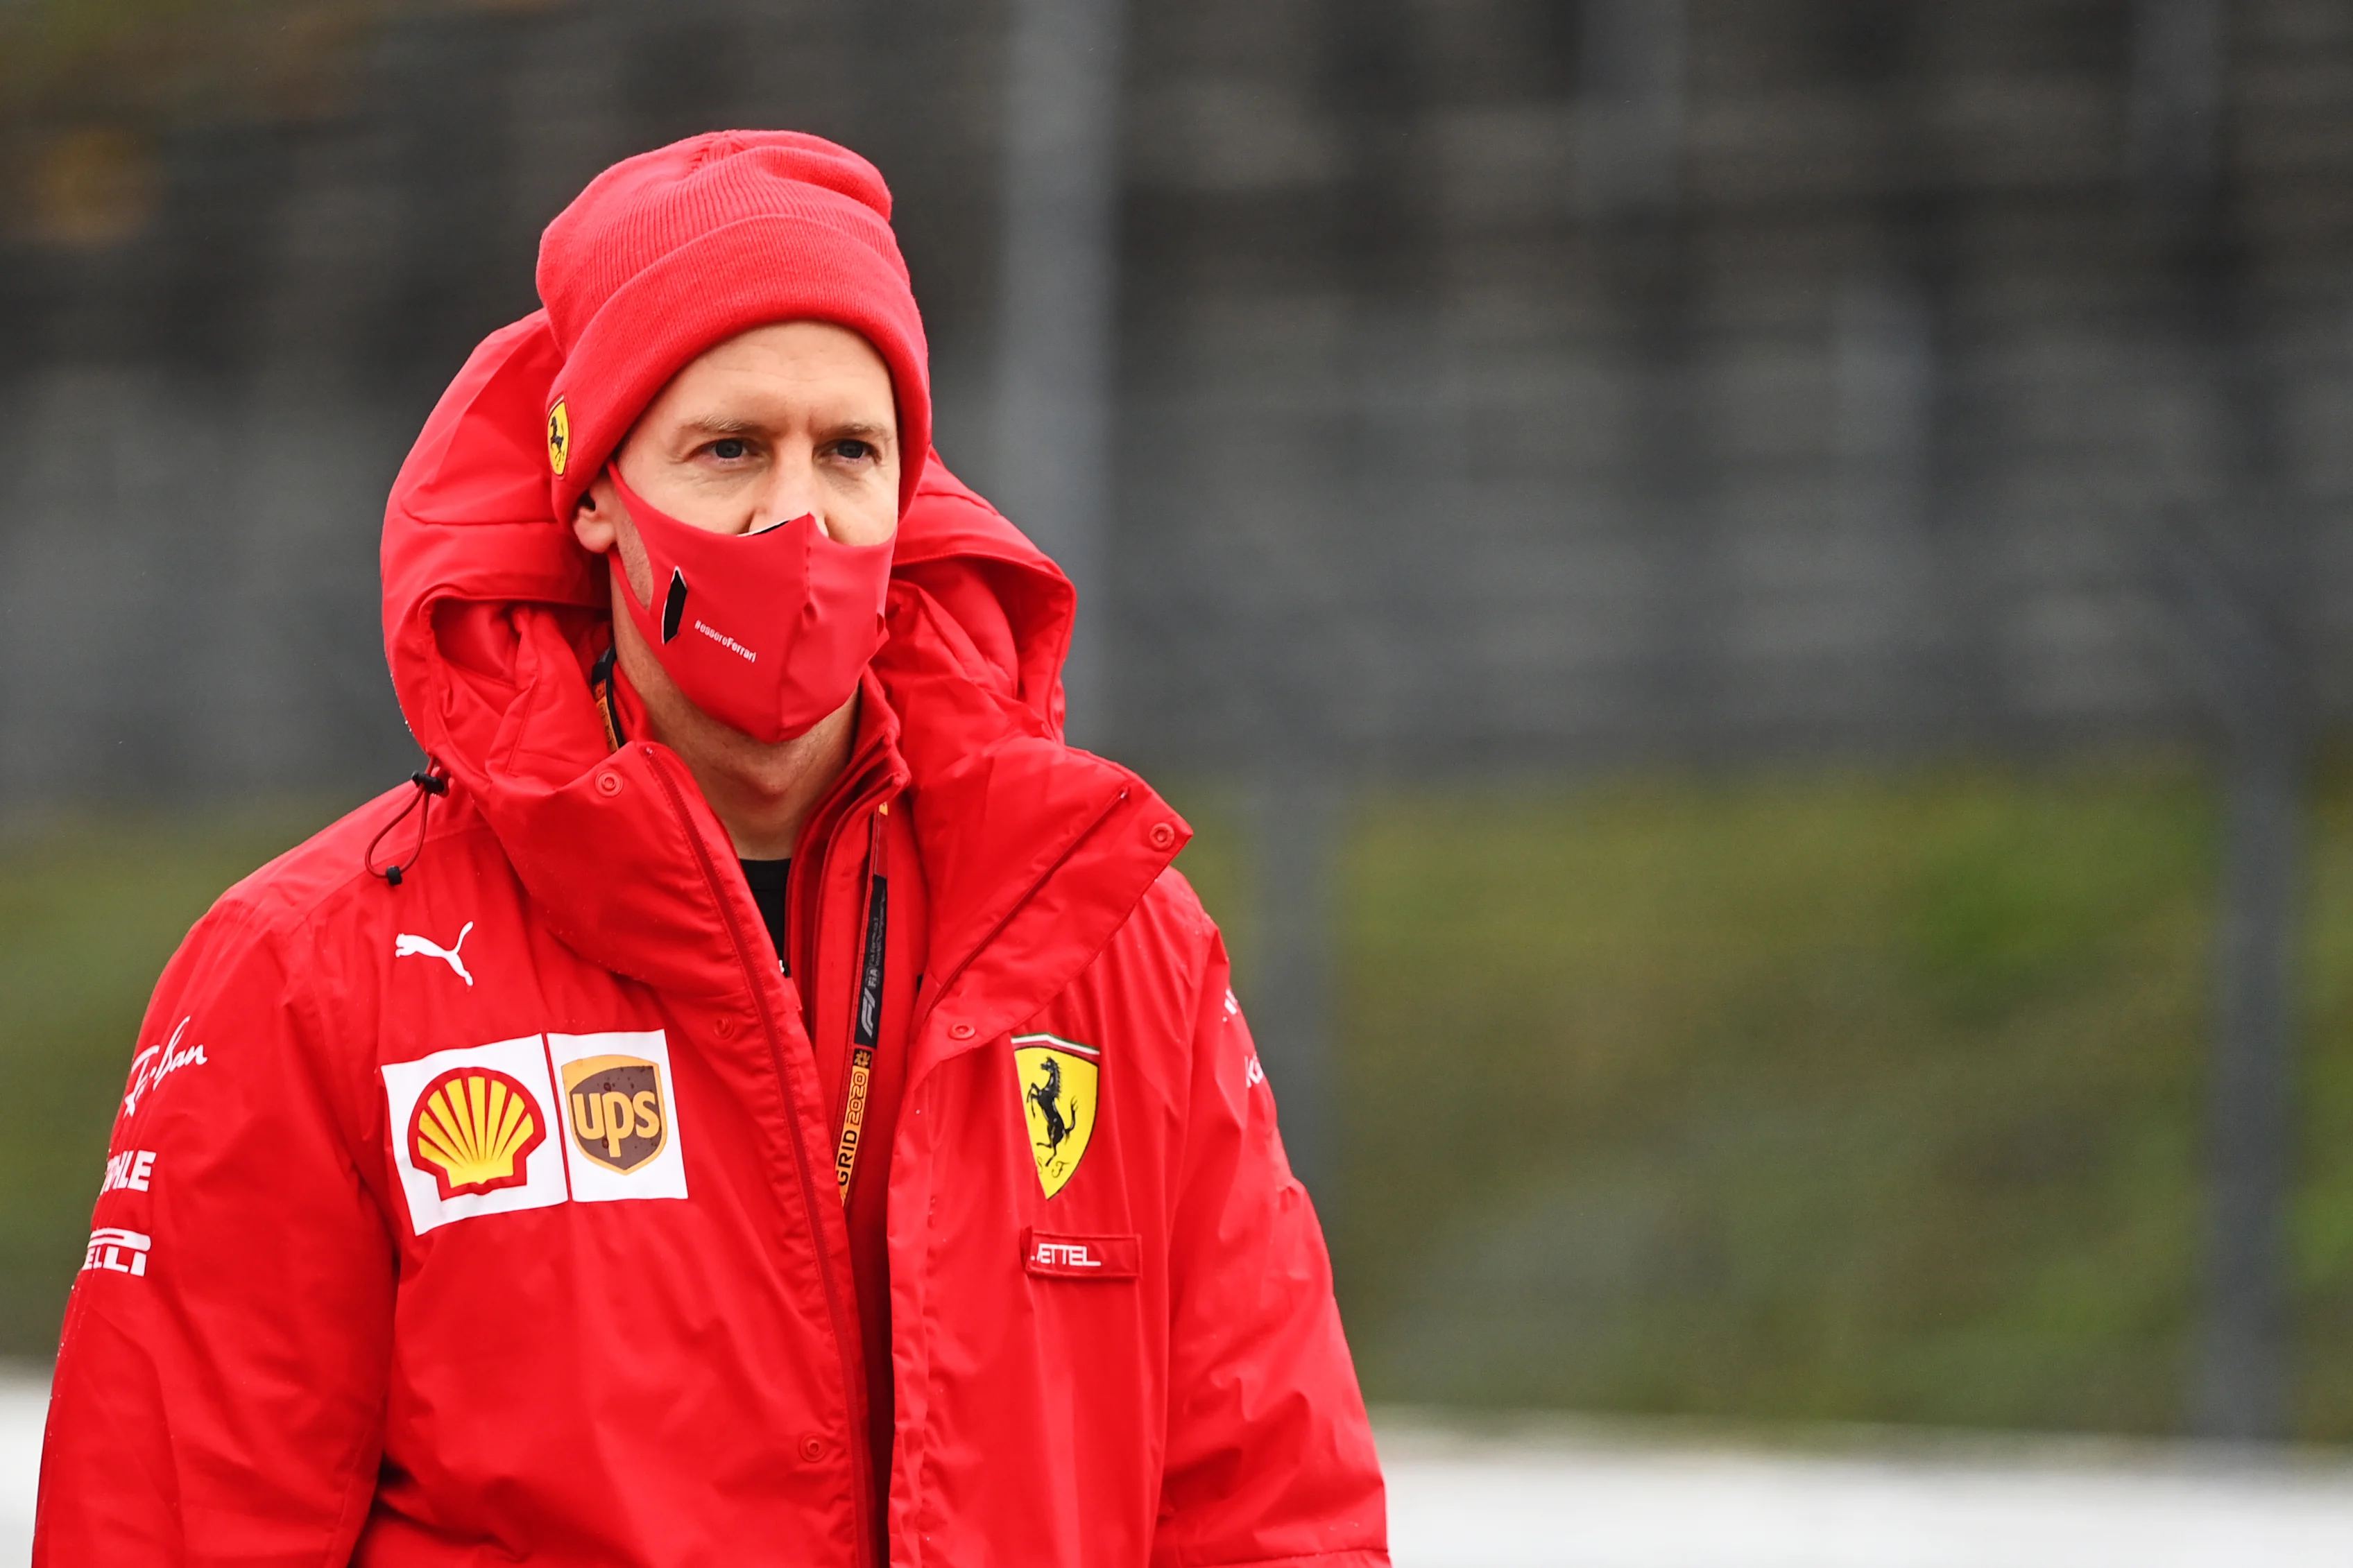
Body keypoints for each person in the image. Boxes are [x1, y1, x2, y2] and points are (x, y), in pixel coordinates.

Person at [33, 131, 1387, 1567]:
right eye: (729, 448)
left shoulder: (1111, 945)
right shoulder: (312, 973)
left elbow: (1271, 1508)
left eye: (849, 451)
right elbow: (166, 1522)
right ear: (596, 493)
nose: (795, 517)